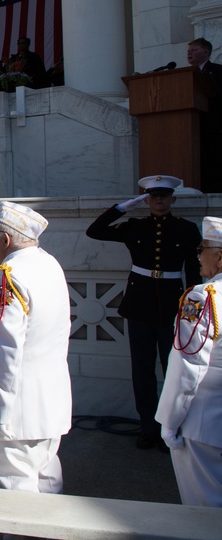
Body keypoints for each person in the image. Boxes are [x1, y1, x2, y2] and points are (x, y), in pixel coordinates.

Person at [86, 175, 200, 449]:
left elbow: (194, 271)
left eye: (164, 196)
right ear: (147, 200)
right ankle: (149, 428)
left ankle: (172, 426)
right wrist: (123, 207)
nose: (159, 200)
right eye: (153, 196)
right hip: (139, 305)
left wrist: (193, 305)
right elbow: (95, 230)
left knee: (174, 369)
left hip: (173, 305)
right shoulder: (134, 226)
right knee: (142, 370)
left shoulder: (186, 229)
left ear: (173, 199)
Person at [0, 200, 72, 493]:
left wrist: (2, 415)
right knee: (47, 482)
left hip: (18, 411)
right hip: (50, 403)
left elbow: (5, 352)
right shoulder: (48, 263)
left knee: (17, 495)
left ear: (4, 239)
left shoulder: (9, 276)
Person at [155, 216, 222, 506]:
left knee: (204, 513)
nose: (197, 257)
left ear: (219, 257)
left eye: (201, 249)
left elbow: (187, 367)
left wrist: (169, 423)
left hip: (204, 424)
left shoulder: (204, 297)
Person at [189, 38, 222, 192]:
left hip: (213, 124)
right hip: (191, 124)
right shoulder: (185, 75)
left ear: (206, 52)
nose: (189, 53)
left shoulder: (217, 70)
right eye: (188, 51)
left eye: (194, 50)